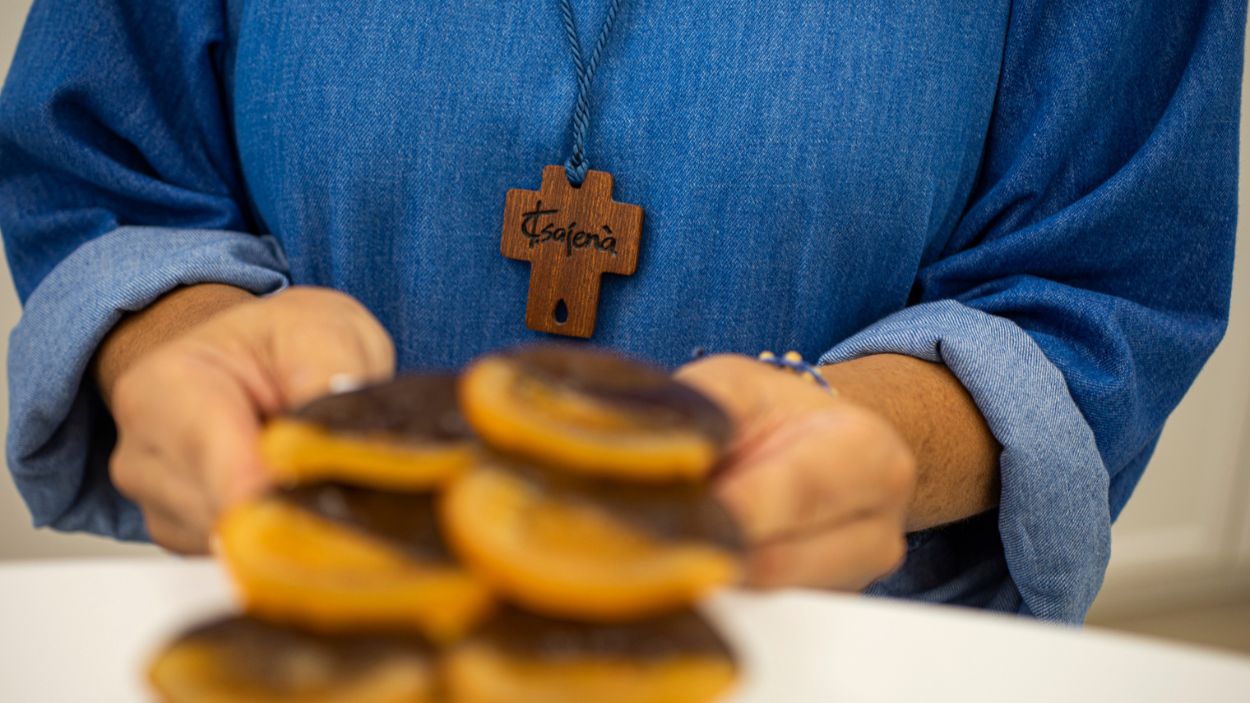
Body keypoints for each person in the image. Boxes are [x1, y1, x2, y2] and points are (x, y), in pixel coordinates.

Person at [0, 0, 1243, 624]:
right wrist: (178, 338)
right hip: (312, 644)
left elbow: (1103, 277)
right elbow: (110, 163)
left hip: (831, 659)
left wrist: (884, 433)